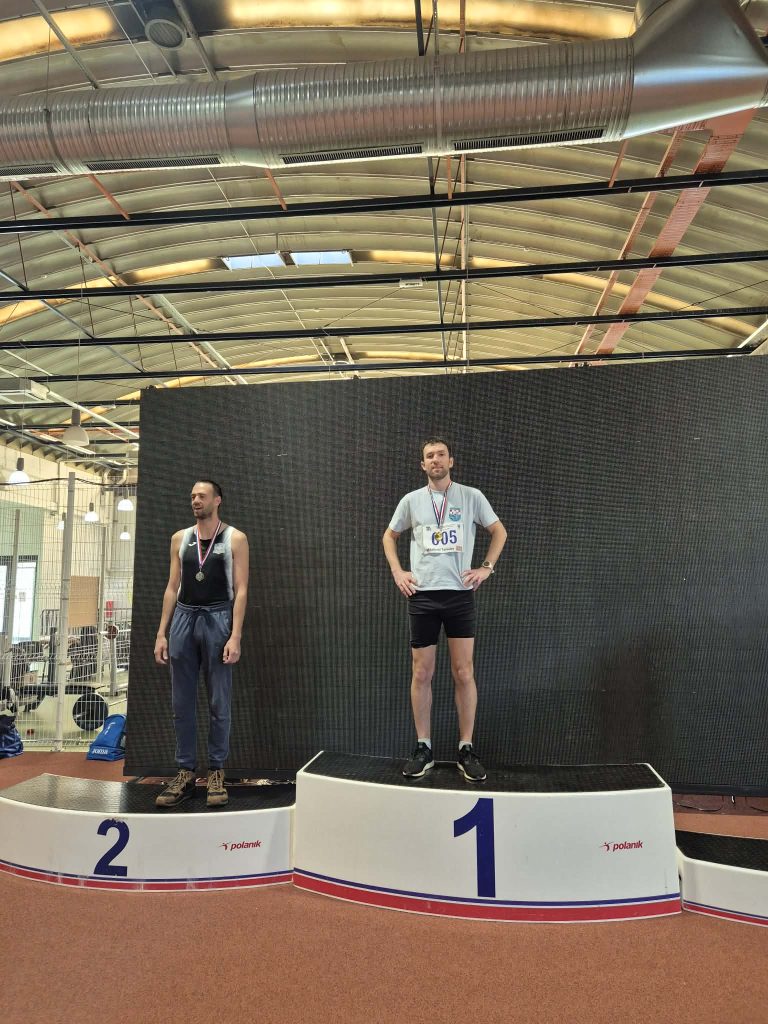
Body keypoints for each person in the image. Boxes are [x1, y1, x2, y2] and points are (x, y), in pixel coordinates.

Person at [383, 438, 507, 782]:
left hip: (459, 596)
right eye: (429, 456)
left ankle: (466, 748)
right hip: (422, 597)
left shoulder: (471, 496)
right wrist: (398, 572)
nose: (435, 460)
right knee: (422, 673)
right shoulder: (411, 501)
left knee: (463, 672)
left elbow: (499, 532)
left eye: (440, 454)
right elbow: (389, 536)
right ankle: (423, 747)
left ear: (451, 460)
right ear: (422, 465)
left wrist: (486, 567)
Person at [154, 480, 249, 808]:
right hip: (183, 618)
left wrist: (235, 635)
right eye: (193, 496)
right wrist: (162, 632)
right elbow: (172, 586)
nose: (195, 500)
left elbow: (241, 589)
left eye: (202, 496)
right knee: (181, 702)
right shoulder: (180, 539)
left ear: (217, 500)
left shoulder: (235, 538)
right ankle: (185, 772)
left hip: (218, 617)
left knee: (219, 701)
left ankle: (216, 771)